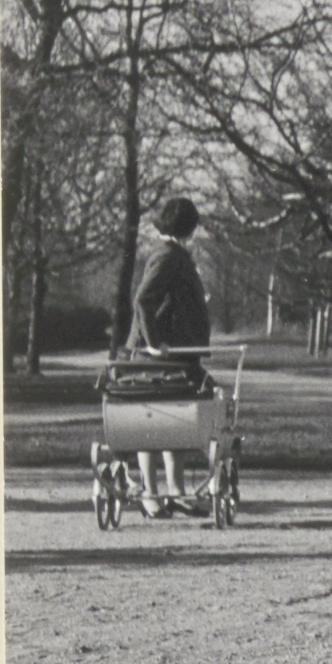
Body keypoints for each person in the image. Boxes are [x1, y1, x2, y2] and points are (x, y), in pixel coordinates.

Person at [124, 196, 211, 517]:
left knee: (171, 420)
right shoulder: (168, 255)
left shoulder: (173, 254)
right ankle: (151, 492)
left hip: (175, 355)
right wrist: (154, 342)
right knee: (153, 420)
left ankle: (175, 490)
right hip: (158, 358)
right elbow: (144, 299)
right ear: (188, 226)